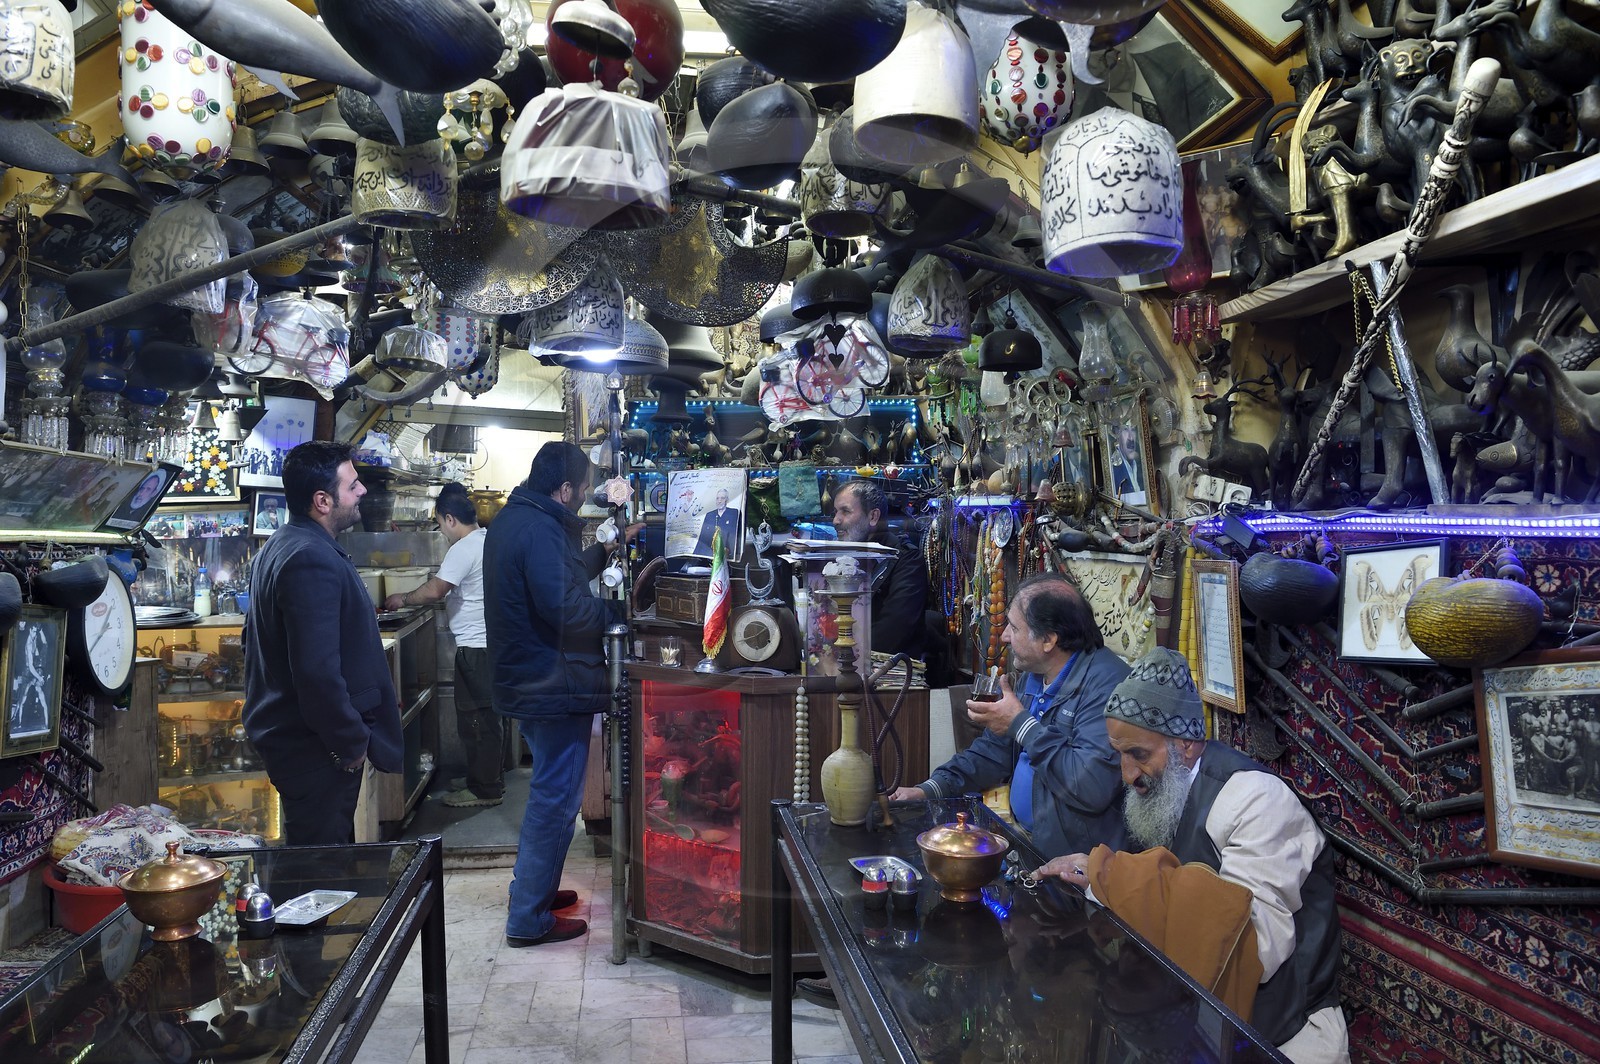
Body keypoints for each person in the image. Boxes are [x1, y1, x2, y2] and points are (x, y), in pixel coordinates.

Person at [1038, 648, 1349, 1064]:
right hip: (1197, 1021)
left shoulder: (1254, 800)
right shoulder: (1166, 792)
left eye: (1139, 755)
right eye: (1119, 754)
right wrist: (1102, 889)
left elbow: (1250, 947)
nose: (1127, 774)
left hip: (1284, 1037)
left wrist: (1112, 877)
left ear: (1184, 743)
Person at [485, 442, 636, 947]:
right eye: (584, 489)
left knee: (548, 795)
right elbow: (567, 610)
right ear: (565, 488)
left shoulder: (518, 519)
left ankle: (535, 892)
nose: (585, 498)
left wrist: (603, 552)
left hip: (531, 680)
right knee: (554, 800)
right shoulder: (541, 529)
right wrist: (620, 618)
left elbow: (556, 581)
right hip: (551, 683)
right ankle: (528, 918)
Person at [242, 441, 401, 845]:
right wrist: (349, 744)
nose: (362, 490)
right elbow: (316, 672)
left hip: (303, 742)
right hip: (314, 750)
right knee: (315, 877)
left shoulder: (283, 545)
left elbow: (251, 641)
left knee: (319, 867)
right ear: (322, 501)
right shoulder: (309, 558)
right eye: (352, 485)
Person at [383, 484, 501, 808]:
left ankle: (484, 790)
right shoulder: (486, 540)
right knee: (485, 718)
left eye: (439, 524)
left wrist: (402, 598)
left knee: (476, 720)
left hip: (476, 648)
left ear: (450, 519)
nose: (441, 531)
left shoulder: (463, 548)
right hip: (486, 645)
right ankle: (486, 779)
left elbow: (435, 590)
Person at [831, 479, 929, 657]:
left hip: (888, 673)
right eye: (836, 512)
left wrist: (846, 656)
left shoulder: (906, 559)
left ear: (873, 517)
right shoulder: (840, 559)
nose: (836, 520)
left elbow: (894, 628)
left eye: (845, 511)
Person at [693, 488, 741, 557]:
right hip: (709, 554)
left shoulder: (733, 513)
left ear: (727, 500)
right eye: (717, 498)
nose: (719, 501)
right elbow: (702, 538)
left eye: (722, 498)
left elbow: (734, 536)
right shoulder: (710, 515)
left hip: (726, 555)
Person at [1109, 425, 1144, 496]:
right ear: (1116, 434)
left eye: (1133, 430)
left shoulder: (1140, 466)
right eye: (1125, 430)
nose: (1131, 438)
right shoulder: (1113, 471)